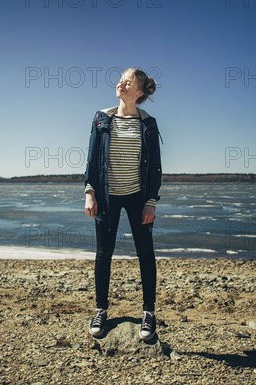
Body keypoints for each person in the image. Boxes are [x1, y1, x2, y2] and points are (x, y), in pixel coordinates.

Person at [83, 67, 162, 341]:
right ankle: (100, 309)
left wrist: (150, 202)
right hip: (107, 197)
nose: (121, 84)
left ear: (139, 91)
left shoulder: (148, 123)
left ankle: (149, 314)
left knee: (145, 253)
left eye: (128, 82)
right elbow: (92, 159)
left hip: (138, 197)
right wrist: (89, 192)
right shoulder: (102, 119)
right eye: (120, 80)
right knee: (104, 253)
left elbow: (155, 168)